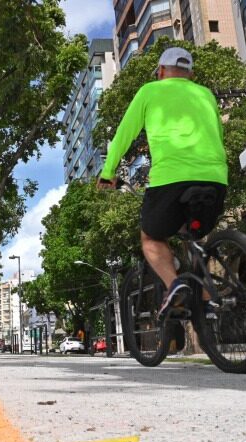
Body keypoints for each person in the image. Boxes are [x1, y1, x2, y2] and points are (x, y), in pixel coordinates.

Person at [97, 47, 228, 320]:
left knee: (152, 238)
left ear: (161, 71)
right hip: (215, 179)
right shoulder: (206, 94)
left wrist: (108, 172)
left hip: (170, 178)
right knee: (193, 237)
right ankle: (206, 300)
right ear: (190, 73)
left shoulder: (150, 91)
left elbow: (124, 134)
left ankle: (175, 285)